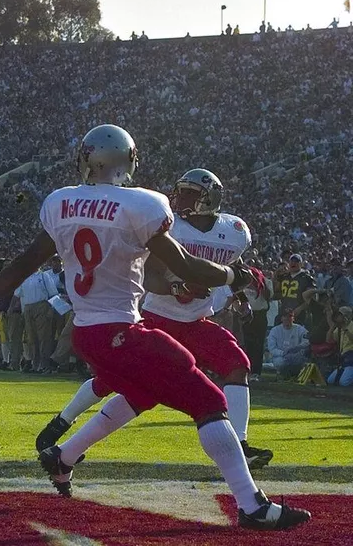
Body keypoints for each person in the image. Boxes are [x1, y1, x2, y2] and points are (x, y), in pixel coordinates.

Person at [0, 124, 309, 530]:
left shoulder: (60, 202)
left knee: (140, 393)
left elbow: (22, 264)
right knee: (209, 402)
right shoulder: (142, 205)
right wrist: (234, 277)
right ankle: (252, 505)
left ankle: (62, 457)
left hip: (86, 333)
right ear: (129, 162)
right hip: (122, 331)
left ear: (86, 160)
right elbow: (186, 267)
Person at [38, 169, 273, 469]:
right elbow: (149, 275)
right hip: (157, 316)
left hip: (196, 321)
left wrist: (240, 295)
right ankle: (62, 422)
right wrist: (178, 286)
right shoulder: (168, 226)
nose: (182, 198)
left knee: (236, 363)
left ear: (210, 197)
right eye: (182, 191)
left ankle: (240, 444)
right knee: (114, 383)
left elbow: (231, 266)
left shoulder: (233, 231)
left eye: (190, 192)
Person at [266, 308, 309, 378]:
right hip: (281, 357)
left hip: (296, 356)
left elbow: (307, 341)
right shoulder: (275, 330)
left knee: (303, 361)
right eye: (285, 316)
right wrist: (283, 353)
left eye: (290, 316)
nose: (287, 318)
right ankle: (283, 375)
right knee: (280, 362)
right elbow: (272, 348)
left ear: (293, 318)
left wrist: (297, 348)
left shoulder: (300, 329)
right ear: (281, 318)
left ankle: (297, 375)